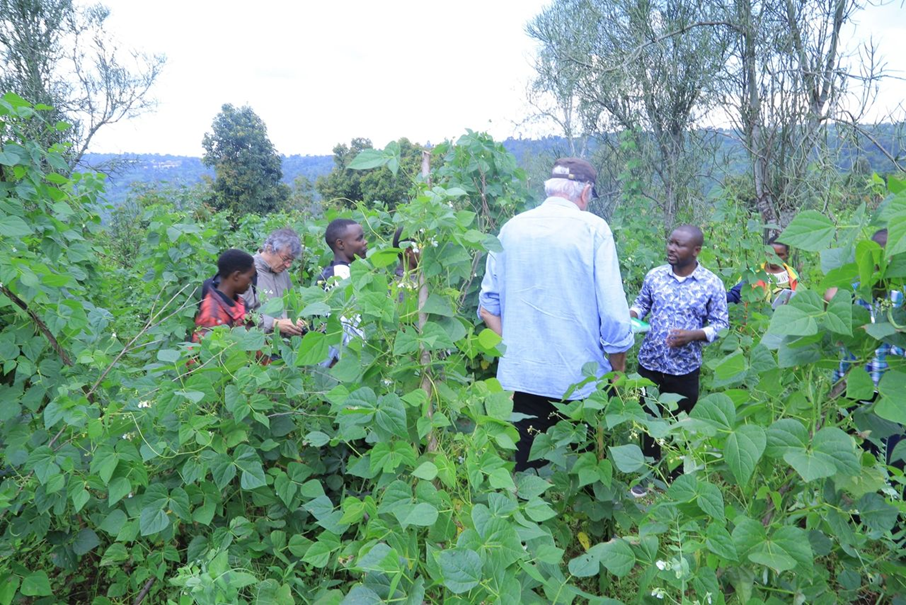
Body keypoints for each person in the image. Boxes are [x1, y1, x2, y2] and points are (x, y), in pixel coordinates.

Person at [478, 157, 634, 472]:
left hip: (524, 380)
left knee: (529, 473)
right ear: (585, 192)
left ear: (550, 188)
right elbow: (616, 319)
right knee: (581, 474)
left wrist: (516, 351)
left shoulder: (511, 228)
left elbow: (487, 308)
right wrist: (617, 373)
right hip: (581, 381)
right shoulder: (593, 229)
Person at [630, 225, 729, 495]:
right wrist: (631, 312)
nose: (671, 248)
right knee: (648, 421)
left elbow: (721, 324)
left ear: (696, 250)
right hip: (649, 364)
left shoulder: (710, 284)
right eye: (670, 243)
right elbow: (642, 304)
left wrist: (693, 335)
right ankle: (646, 474)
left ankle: (673, 481)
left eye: (679, 245)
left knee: (678, 424)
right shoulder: (655, 276)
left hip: (684, 370)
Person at [829, 228, 905, 472]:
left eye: (886, 258)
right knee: (853, 460)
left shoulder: (901, 294)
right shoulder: (854, 289)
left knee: (895, 458)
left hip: (891, 392)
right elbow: (830, 298)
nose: (880, 265)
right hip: (852, 389)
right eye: (874, 258)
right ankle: (853, 509)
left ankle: (892, 505)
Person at [241, 228, 307, 336]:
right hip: (259, 347)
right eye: (285, 259)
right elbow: (240, 313)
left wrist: (296, 322)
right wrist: (273, 323)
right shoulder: (247, 271)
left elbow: (290, 306)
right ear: (269, 248)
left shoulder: (283, 273)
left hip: (283, 345)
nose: (288, 265)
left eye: (291, 261)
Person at [193, 249, 257, 342]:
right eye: (250, 278)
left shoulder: (238, 301)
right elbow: (206, 353)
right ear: (236, 276)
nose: (250, 283)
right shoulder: (212, 314)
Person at [727, 236, 799, 305]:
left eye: (780, 255)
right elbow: (735, 295)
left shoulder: (792, 275)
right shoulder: (754, 273)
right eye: (771, 254)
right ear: (765, 253)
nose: (774, 258)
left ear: (787, 254)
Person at [319, 218, 368, 283]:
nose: (365, 242)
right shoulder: (341, 275)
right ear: (340, 244)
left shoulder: (327, 273)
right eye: (359, 239)